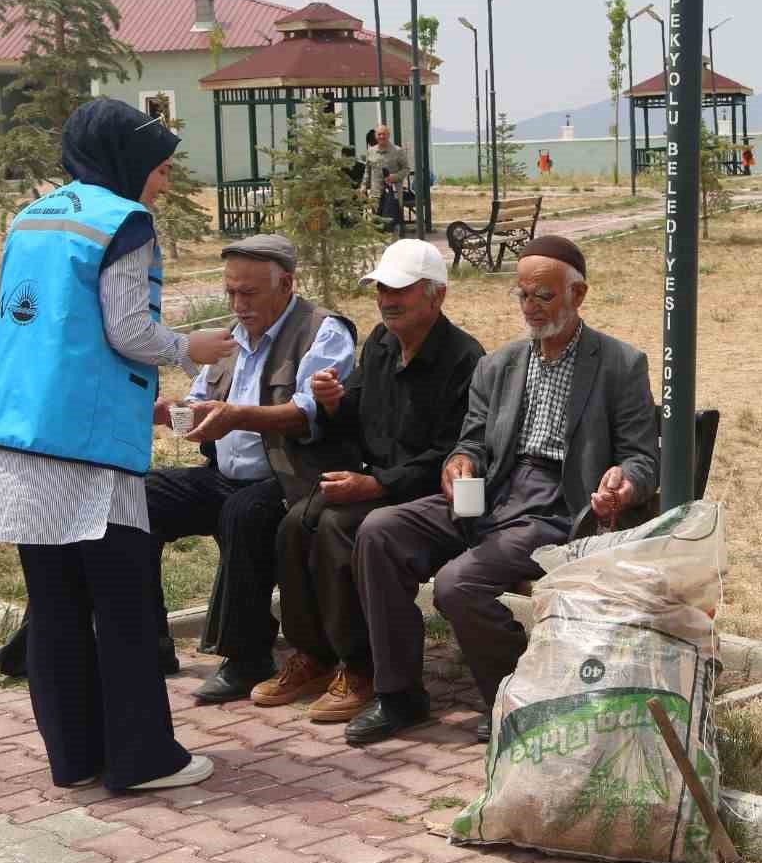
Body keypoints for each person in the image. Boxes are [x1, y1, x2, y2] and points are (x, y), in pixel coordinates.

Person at [0, 98, 235, 792]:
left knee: (53, 603)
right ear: (128, 160)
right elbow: (128, 330)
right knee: (122, 600)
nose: (163, 182)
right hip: (83, 447)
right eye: (160, 168)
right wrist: (189, 346)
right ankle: (142, 758)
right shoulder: (124, 222)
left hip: (16, 432)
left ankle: (76, 757)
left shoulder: (32, 217)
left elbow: (47, 323)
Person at [345, 235, 659, 746]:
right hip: (493, 493)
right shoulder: (499, 364)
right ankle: (399, 694)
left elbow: (642, 458)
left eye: (544, 296)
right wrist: (461, 461)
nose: (531, 307)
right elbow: (472, 440)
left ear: (578, 295)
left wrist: (622, 484)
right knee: (380, 530)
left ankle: (515, 694)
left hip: (558, 505)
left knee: (457, 584)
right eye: (523, 295)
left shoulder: (619, 364)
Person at [260, 239, 485, 723]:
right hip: (376, 483)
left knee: (341, 527)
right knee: (296, 522)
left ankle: (361, 667)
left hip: (426, 496)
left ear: (437, 296)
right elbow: (355, 418)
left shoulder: (464, 359)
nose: (387, 300)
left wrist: (377, 486)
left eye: (399, 290)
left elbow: (451, 453)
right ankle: (314, 655)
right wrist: (333, 402)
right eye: (381, 289)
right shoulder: (381, 343)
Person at [151, 234, 358, 705]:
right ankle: (150, 640)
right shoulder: (231, 337)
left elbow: (306, 414)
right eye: (231, 292)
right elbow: (203, 402)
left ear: (286, 284)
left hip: (291, 480)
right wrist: (173, 412)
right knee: (139, 498)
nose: (238, 304)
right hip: (224, 474)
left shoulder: (323, 331)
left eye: (248, 293)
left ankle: (246, 658)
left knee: (245, 512)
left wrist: (236, 416)